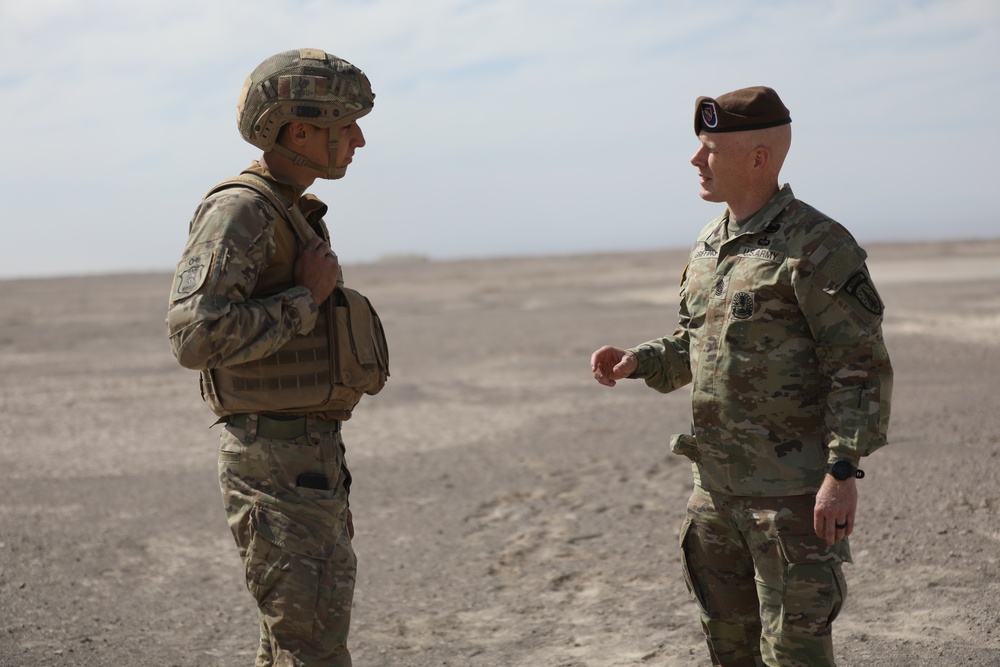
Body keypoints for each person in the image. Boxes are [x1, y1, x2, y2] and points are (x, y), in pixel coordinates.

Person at [590, 86, 892, 667]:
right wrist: (639, 361)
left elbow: (859, 365)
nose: (695, 160)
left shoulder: (817, 246)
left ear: (758, 158)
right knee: (729, 647)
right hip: (716, 493)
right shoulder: (710, 244)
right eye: (698, 148)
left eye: (709, 149)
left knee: (794, 653)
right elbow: (694, 345)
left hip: (791, 500)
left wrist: (842, 470)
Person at [166, 48, 389, 667]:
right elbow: (194, 336)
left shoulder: (288, 209)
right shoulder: (242, 210)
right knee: (311, 652)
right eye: (344, 126)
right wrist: (305, 298)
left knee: (296, 647)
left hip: (304, 460)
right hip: (275, 467)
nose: (359, 139)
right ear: (298, 131)